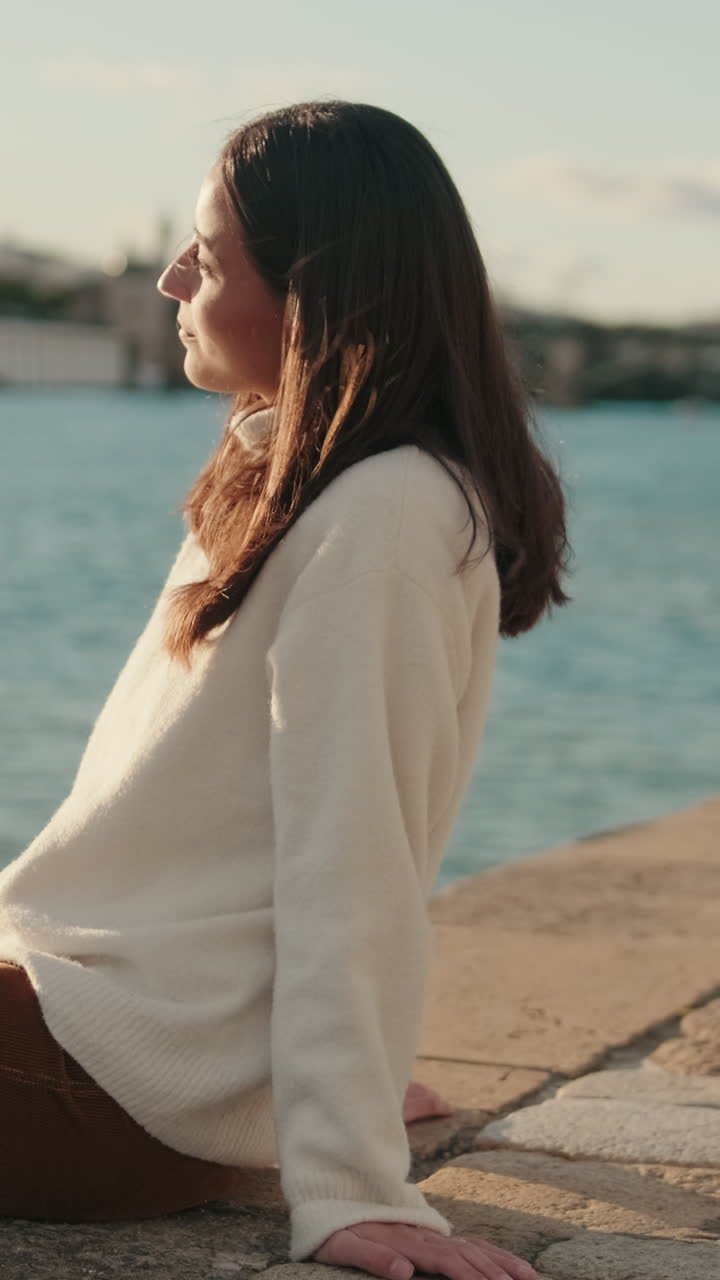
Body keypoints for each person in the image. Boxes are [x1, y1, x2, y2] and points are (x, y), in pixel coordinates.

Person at [0, 101, 571, 1280]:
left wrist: (349, 1172)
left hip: (114, 1074)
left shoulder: (385, 514)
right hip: (116, 1026)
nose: (168, 280)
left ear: (311, 291)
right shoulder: (300, 475)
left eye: (205, 259)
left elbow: (351, 854)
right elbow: (228, 831)